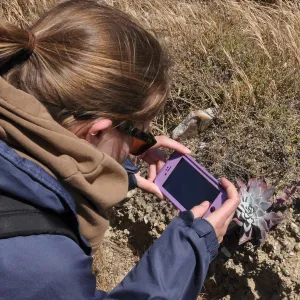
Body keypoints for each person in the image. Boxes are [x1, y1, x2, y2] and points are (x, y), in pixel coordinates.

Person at [0, 1, 240, 299]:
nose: (140, 148)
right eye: (139, 136)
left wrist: (115, 167)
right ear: (97, 132)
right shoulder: (46, 268)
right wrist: (191, 248)